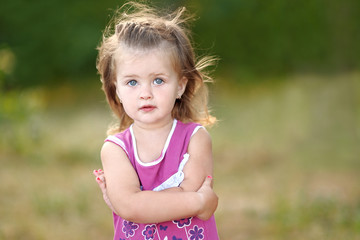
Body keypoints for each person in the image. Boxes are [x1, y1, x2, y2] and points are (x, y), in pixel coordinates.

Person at [93, 2, 219, 239]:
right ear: (116, 89)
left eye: (158, 80)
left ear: (180, 86)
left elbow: (137, 204)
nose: (146, 93)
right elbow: (131, 207)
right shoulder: (115, 149)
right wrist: (199, 201)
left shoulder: (195, 139)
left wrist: (137, 201)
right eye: (132, 82)